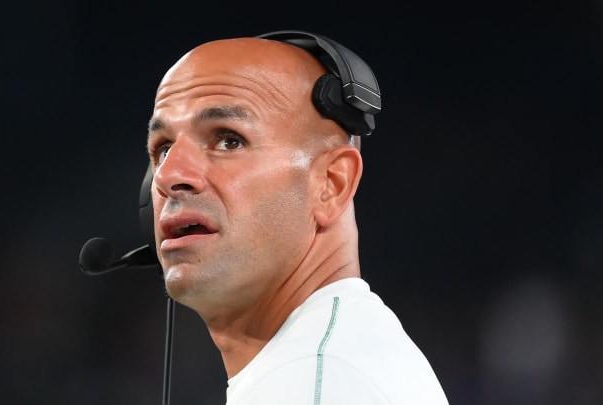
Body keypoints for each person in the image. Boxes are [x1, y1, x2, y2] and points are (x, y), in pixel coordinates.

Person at [145, 30, 449, 404]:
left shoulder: (316, 381)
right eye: (162, 149)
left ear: (331, 185)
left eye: (229, 140)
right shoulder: (330, 360)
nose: (168, 176)